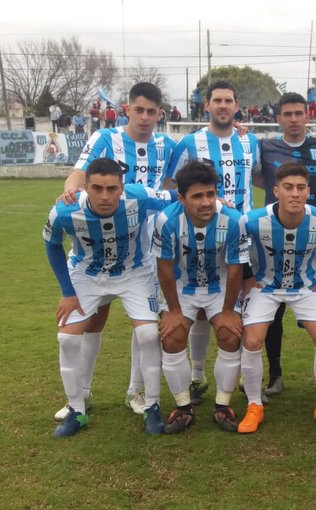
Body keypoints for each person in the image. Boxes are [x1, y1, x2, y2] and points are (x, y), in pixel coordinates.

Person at [56, 82, 177, 420]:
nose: (144, 117)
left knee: (145, 323)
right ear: (127, 109)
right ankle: (81, 393)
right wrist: (70, 192)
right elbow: (79, 173)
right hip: (102, 244)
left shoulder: (168, 145)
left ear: (159, 114)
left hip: (147, 248)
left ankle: (136, 391)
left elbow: (177, 185)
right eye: (139, 110)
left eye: (151, 112)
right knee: (94, 318)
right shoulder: (105, 138)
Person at [44, 158, 177, 438]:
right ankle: (76, 409)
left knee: (148, 335)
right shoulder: (65, 211)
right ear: (85, 187)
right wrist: (67, 293)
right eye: (97, 188)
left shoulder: (139, 197)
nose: (105, 196)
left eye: (112, 189)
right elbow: (52, 244)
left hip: (133, 272)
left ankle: (152, 406)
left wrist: (218, 202)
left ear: (122, 187)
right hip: (86, 274)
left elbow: (179, 197)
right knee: (67, 339)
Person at [165, 80, 260, 405]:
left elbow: (259, 175)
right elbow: (171, 185)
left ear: (236, 106)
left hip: (242, 234)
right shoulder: (190, 142)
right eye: (217, 100)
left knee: (242, 305)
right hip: (199, 234)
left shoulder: (250, 142)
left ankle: (245, 373)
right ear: (206, 105)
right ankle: (196, 376)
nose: (222, 105)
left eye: (228, 100)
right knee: (201, 301)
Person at [238, 162, 316, 433]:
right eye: (288, 187)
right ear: (276, 191)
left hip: (305, 287)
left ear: (308, 191)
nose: (295, 193)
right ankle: (254, 406)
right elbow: (236, 245)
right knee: (252, 340)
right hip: (265, 287)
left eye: (300, 188)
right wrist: (247, 276)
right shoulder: (253, 220)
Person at [153, 161, 249, 434]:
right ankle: (183, 407)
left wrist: (228, 312)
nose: (206, 202)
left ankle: (223, 405)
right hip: (183, 286)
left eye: (211, 194)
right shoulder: (166, 221)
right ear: (181, 198)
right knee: (172, 336)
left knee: (229, 334)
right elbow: (165, 267)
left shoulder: (233, 220)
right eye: (197, 196)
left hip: (220, 287)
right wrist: (174, 311)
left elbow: (235, 269)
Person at [254, 92, 316, 396]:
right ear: (278, 119)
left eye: (299, 113)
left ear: (308, 116)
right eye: (287, 114)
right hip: (274, 231)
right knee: (272, 311)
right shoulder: (265, 146)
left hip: (311, 233)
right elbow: (257, 176)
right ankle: (275, 373)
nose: (294, 119)